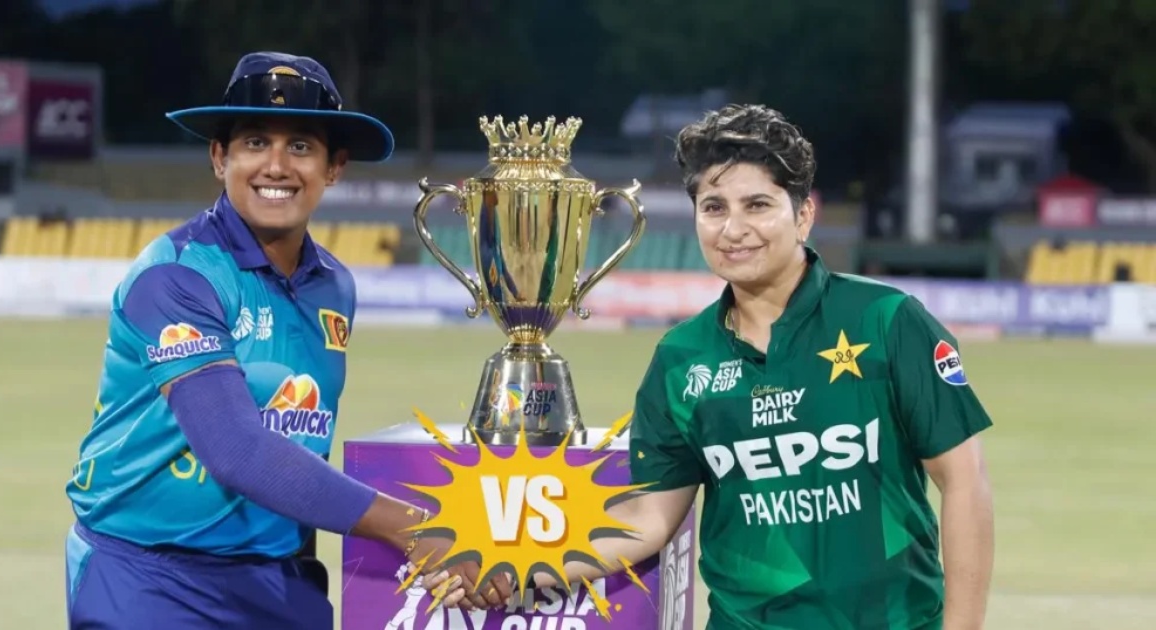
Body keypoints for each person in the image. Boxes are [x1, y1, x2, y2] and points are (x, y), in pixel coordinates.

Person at [430, 104, 996, 629]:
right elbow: (648, 519)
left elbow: (965, 482)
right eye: (714, 208)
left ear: (803, 215)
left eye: (758, 205)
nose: (733, 228)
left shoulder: (886, 320)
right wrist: (512, 567)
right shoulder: (681, 357)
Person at [63, 51, 508, 629]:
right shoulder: (176, 276)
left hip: (279, 580)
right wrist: (415, 527)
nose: (276, 166)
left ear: (334, 166)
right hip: (147, 581)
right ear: (219, 157)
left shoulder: (334, 286)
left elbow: (300, 444)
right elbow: (235, 448)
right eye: (254, 142)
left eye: (300, 146)